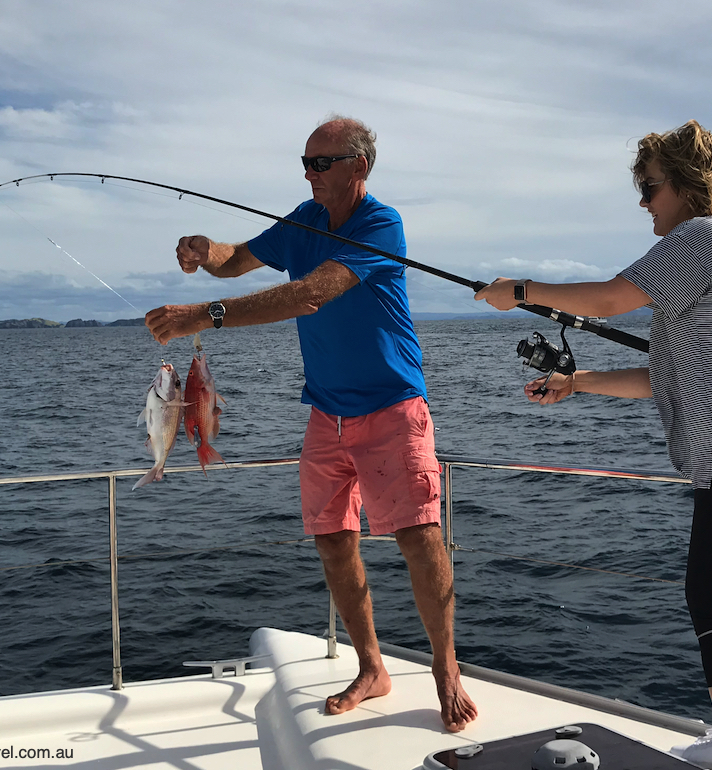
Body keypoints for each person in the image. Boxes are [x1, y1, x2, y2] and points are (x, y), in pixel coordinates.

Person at [475, 120, 712, 770]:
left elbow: (605, 298)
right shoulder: (707, 254)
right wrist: (577, 384)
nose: (644, 201)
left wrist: (517, 290)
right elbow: (660, 377)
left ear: (686, 186)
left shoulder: (704, 236)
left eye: (650, 186)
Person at [145, 116, 477, 732]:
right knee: (332, 539)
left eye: (321, 164)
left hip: (392, 406)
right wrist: (203, 247)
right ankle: (371, 666)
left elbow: (311, 294)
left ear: (360, 168)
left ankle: (445, 668)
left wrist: (203, 317)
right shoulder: (302, 219)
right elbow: (237, 259)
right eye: (305, 162)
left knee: (417, 536)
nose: (309, 174)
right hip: (326, 412)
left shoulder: (382, 225)